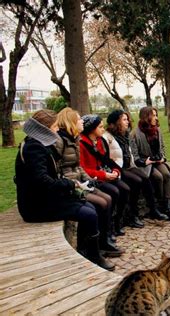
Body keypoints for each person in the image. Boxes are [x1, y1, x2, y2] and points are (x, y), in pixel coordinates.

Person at [15, 109, 114, 271]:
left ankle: (87, 251)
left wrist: (72, 184)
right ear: (44, 129)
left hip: (43, 198)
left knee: (89, 208)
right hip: (36, 206)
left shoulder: (36, 144)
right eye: (54, 127)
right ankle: (93, 255)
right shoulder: (34, 148)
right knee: (89, 213)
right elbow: (42, 181)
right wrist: (71, 184)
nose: (56, 130)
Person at [55, 108, 123, 258]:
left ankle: (104, 241)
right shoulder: (63, 142)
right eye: (79, 119)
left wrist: (90, 181)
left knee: (108, 198)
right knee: (101, 202)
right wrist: (80, 183)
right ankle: (90, 247)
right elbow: (61, 171)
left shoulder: (75, 139)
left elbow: (79, 167)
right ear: (71, 122)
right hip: (73, 186)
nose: (82, 122)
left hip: (83, 182)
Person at [104, 109, 168, 222]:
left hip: (129, 166)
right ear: (116, 122)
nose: (127, 122)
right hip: (118, 168)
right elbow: (108, 158)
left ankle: (153, 210)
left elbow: (130, 153)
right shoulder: (108, 137)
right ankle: (133, 215)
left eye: (127, 119)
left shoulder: (125, 134)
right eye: (124, 120)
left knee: (145, 178)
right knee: (137, 181)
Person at [79, 115, 135, 237]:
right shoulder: (82, 144)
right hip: (94, 178)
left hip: (106, 174)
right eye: (100, 127)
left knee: (125, 189)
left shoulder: (100, 141)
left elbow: (107, 160)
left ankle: (117, 222)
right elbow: (83, 169)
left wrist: (116, 171)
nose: (103, 129)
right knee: (113, 192)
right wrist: (103, 175)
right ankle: (107, 229)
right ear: (92, 128)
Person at [131, 107, 170, 221]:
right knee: (158, 177)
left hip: (157, 160)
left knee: (167, 174)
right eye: (153, 115)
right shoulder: (135, 133)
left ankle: (167, 206)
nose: (156, 118)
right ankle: (160, 204)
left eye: (156, 115)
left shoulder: (157, 129)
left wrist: (163, 158)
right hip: (146, 163)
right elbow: (134, 155)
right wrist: (145, 161)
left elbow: (162, 146)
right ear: (146, 117)